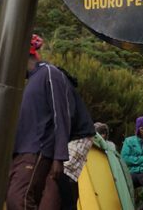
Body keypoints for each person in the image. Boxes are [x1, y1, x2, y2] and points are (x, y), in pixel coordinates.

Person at [7, 34, 75, 210]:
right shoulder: (29, 81)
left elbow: (62, 114)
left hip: (37, 149)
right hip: (21, 151)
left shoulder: (49, 73)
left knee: (18, 199)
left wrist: (59, 157)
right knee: (20, 199)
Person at [39, 68, 96, 210]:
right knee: (58, 177)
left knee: (61, 174)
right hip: (70, 136)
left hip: (80, 137)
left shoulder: (63, 88)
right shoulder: (59, 87)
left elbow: (66, 118)